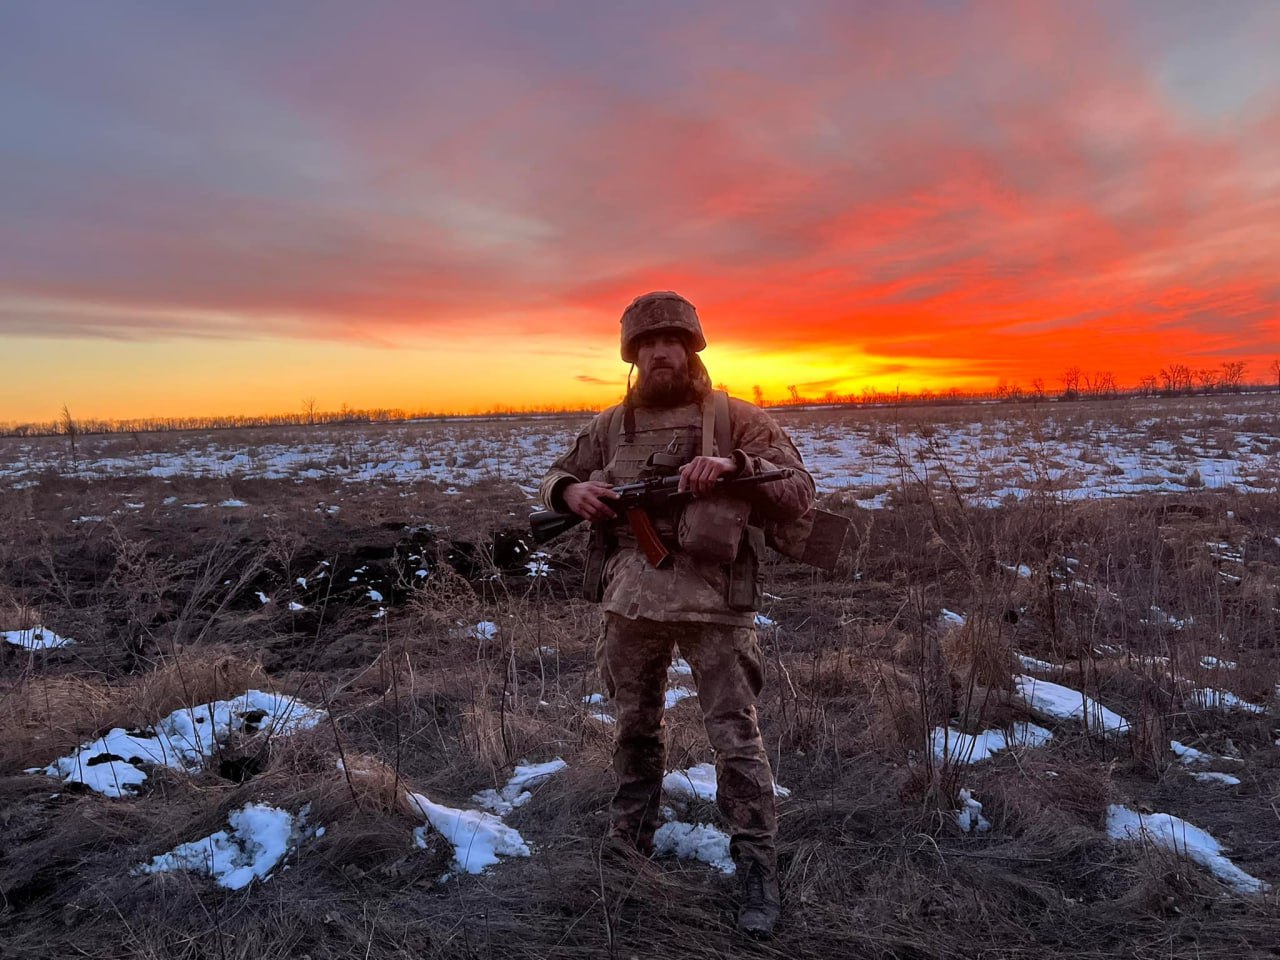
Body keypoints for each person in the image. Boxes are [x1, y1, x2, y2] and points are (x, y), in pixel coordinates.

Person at [539, 291, 816, 937]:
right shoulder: (610, 427)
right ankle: (628, 847)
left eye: (672, 341)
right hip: (629, 605)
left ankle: (755, 865)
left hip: (716, 606)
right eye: (646, 344)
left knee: (734, 738)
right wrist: (571, 491)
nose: (660, 352)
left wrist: (735, 468)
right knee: (633, 730)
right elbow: (555, 476)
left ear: (691, 348)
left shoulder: (737, 419)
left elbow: (801, 492)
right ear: (632, 356)